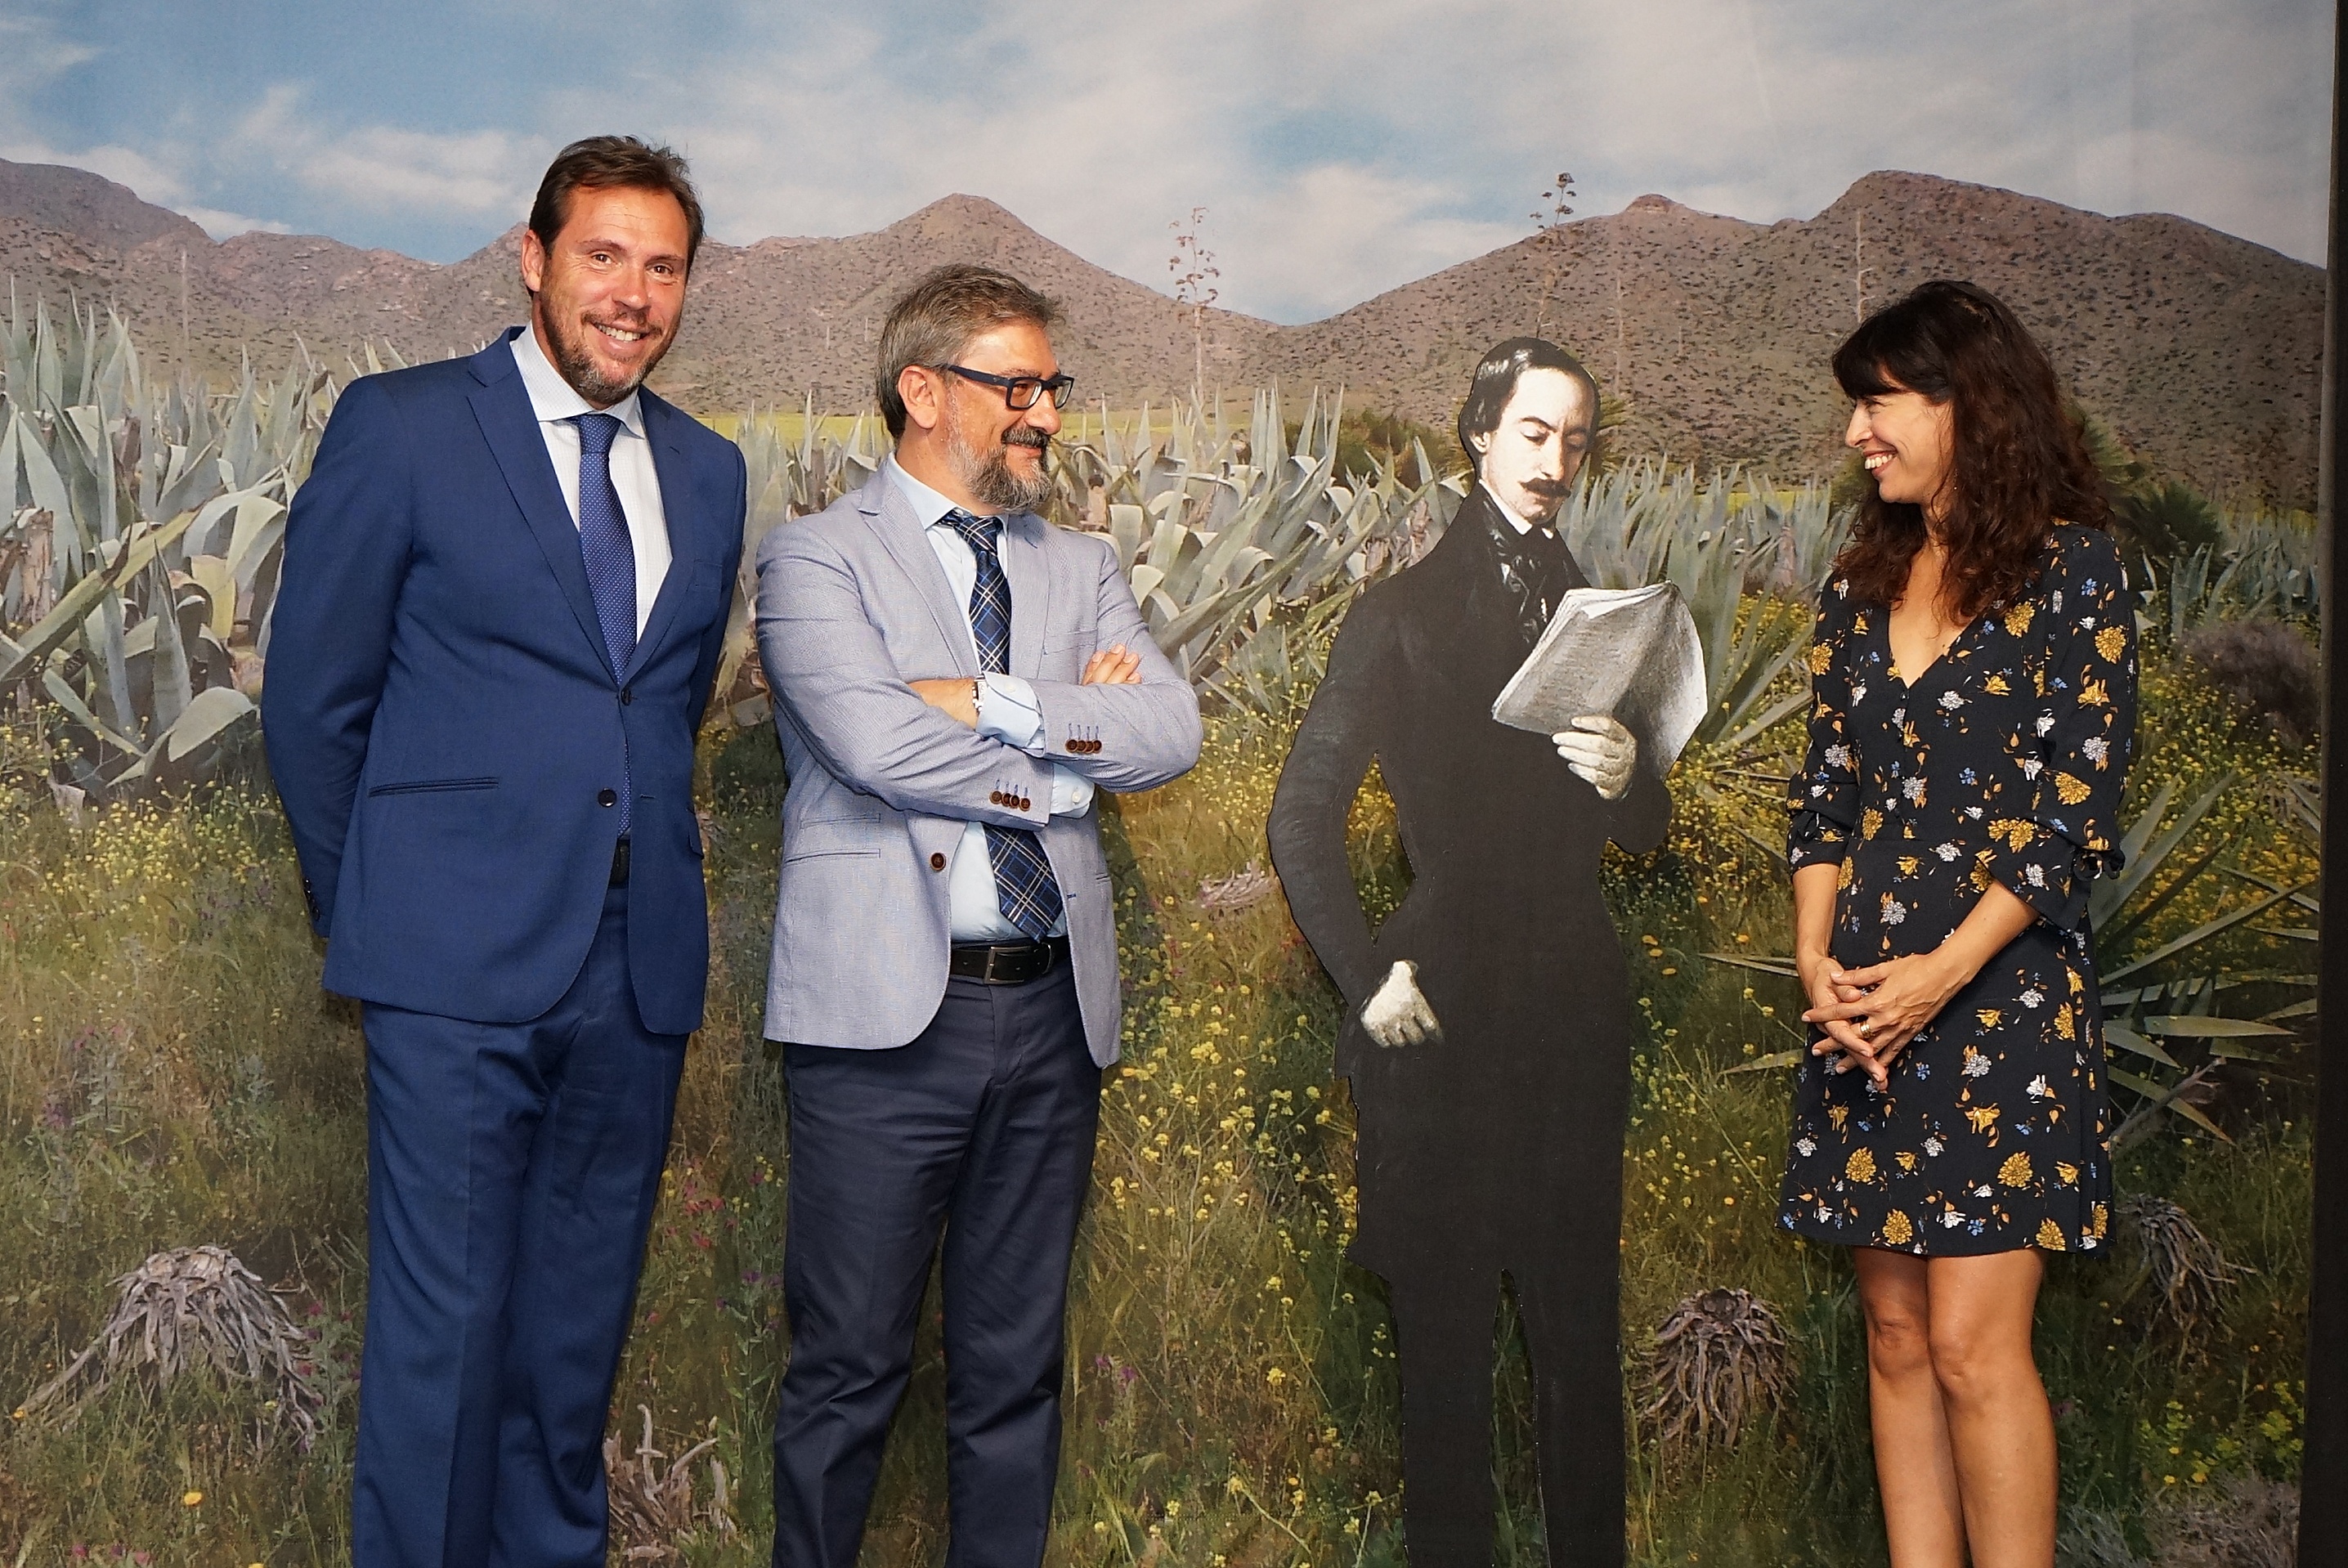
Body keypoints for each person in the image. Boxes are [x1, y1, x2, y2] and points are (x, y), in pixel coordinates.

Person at [262, 137, 746, 1567]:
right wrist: (387, 919)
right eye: (604, 255)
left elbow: (657, 711)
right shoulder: (405, 427)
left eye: (664, 267)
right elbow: (312, 707)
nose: (634, 293)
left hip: (637, 972)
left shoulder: (712, 473)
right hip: (449, 974)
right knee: (445, 1354)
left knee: (569, 1353)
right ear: (532, 259)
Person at [752, 263, 1201, 1568]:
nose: (1046, 413)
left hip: (1051, 1017)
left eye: (1053, 387)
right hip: (882, 1028)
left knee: (1016, 1372)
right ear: (923, 389)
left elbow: (1169, 731)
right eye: (1018, 386)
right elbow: (874, 743)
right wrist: (1066, 761)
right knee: (846, 1369)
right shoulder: (815, 556)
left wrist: (994, 700)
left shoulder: (1085, 563)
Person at [1267, 338, 1668, 1567]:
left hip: (1573, 1009)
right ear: (1481, 435)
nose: (1555, 461)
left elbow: (1647, 831)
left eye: (1576, 441)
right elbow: (1300, 816)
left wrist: (1631, 776)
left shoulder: (1605, 616)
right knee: (1442, 1352)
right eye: (1534, 433)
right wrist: (1366, 977)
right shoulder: (1396, 615)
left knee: (1578, 1336)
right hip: (1437, 1014)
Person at [1780, 279, 2135, 1567]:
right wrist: (1817, 962)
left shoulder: (2077, 573)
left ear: (1965, 403)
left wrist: (1942, 971)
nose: (1856, 434)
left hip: (2004, 1010)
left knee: (1977, 1348)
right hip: (1863, 1014)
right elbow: (1822, 799)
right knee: (1896, 1340)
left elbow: (2074, 814)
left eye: (1878, 404)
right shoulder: (1857, 587)